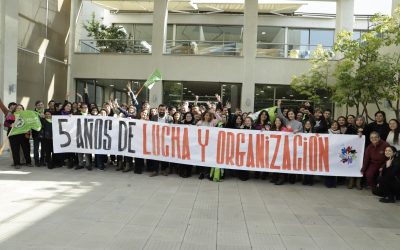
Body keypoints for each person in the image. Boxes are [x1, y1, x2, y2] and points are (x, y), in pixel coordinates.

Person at [149, 104, 173, 177]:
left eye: (163, 110)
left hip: (166, 140)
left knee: (165, 155)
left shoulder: (170, 118)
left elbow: (172, 129)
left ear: (166, 110)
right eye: (160, 109)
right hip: (156, 139)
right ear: (158, 110)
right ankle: (155, 170)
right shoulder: (154, 117)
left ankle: (164, 170)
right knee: (155, 155)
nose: (162, 111)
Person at [197, 110, 222, 180]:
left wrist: (214, 113)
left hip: (210, 144)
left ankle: (207, 173)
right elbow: (194, 130)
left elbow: (220, 119)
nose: (207, 116)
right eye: (206, 115)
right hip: (201, 144)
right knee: (201, 159)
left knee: (208, 158)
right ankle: (201, 173)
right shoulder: (200, 122)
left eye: (209, 115)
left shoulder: (212, 122)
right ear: (204, 115)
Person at [345, 115, 366, 189]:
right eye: (357, 120)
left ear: (363, 121)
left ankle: (358, 181)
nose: (359, 121)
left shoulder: (366, 128)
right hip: (352, 150)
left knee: (360, 165)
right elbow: (345, 137)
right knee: (352, 164)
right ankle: (351, 180)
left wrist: (362, 135)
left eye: (361, 120)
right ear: (355, 121)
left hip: (362, 150)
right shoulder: (350, 128)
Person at [270, 117, 289, 185]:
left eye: (279, 121)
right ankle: (275, 177)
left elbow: (289, 134)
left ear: (281, 122)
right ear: (274, 122)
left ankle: (281, 178)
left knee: (280, 164)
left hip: (282, 149)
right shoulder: (272, 129)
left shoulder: (284, 129)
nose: (277, 122)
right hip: (274, 149)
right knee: (275, 163)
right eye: (276, 120)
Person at [32, 100, 45, 167]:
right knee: (36, 148)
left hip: (44, 133)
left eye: (41, 104)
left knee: (43, 148)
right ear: (36, 106)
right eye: (39, 105)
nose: (40, 106)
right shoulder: (32, 113)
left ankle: (42, 160)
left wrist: (43, 118)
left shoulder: (45, 112)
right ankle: (36, 161)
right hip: (36, 133)